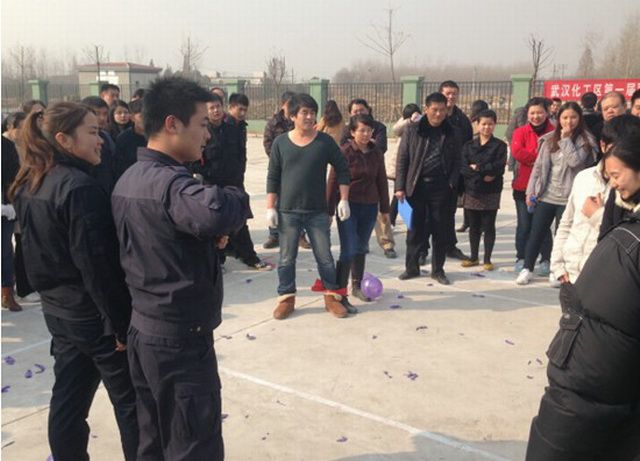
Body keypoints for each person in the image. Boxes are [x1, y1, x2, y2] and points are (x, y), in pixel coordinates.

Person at [111, 77, 250, 460]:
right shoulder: (171, 185)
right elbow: (218, 210)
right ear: (172, 124)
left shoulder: (129, 178)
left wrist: (206, 238)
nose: (207, 134)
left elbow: (167, 239)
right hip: (179, 341)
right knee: (193, 445)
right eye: (202, 124)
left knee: (153, 440)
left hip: (144, 331)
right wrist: (235, 194)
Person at [10, 102, 138, 460]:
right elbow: (98, 268)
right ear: (64, 139)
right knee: (132, 404)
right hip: (93, 317)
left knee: (69, 400)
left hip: (60, 313)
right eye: (93, 132)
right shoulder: (78, 188)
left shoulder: (33, 181)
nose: (101, 140)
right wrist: (120, 326)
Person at [526, 133, 640, 460]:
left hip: (595, 377)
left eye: (617, 175)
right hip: (584, 353)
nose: (613, 184)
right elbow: (567, 224)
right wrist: (559, 263)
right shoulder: (615, 208)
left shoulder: (627, 236)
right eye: (609, 175)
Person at [266, 93, 351, 319]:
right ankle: (286, 298)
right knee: (286, 258)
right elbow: (273, 176)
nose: (310, 116)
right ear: (293, 116)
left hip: (317, 211)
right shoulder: (280, 143)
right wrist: (270, 207)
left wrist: (343, 199)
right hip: (288, 211)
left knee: (325, 257)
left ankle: (331, 296)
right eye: (304, 112)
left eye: (313, 112)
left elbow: (343, 168)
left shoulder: (324, 142)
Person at [550, 114, 640, 308]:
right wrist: (558, 265)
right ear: (603, 145)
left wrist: (598, 215)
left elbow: (624, 244)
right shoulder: (584, 178)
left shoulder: (629, 196)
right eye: (614, 148)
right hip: (570, 278)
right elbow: (566, 223)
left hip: (605, 285)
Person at [516, 102, 595, 285]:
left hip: (568, 199)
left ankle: (556, 270)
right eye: (565, 117)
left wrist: (566, 140)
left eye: (573, 117)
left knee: (562, 237)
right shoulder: (548, 140)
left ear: (579, 119)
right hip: (547, 196)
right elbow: (538, 168)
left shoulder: (585, 141)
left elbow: (575, 162)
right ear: (559, 119)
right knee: (536, 233)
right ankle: (527, 268)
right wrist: (530, 191)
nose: (569, 121)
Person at [193, 92, 270, 271]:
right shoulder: (202, 132)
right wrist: (208, 172)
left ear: (223, 108)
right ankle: (217, 260)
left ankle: (249, 256)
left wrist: (239, 174)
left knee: (240, 221)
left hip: (234, 184)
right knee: (214, 223)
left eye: (218, 107)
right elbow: (195, 160)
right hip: (212, 185)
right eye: (211, 108)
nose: (216, 111)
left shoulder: (232, 129)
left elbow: (241, 155)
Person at [395, 92, 462, 285]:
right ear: (426, 109)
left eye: (442, 110)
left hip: (442, 188)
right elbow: (403, 159)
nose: (438, 114)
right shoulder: (413, 130)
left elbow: (458, 160)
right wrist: (400, 186)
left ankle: (438, 270)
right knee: (414, 230)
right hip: (416, 186)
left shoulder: (452, 131)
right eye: (434, 110)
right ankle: (411, 267)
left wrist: (452, 182)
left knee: (440, 231)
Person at [327, 114, 389, 309]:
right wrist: (329, 210)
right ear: (352, 132)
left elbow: (381, 180)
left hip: (369, 206)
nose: (365, 134)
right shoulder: (344, 152)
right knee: (348, 248)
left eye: (369, 130)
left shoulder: (376, 153)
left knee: (361, 247)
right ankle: (339, 292)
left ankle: (357, 285)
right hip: (348, 206)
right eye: (361, 130)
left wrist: (385, 209)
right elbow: (332, 180)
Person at [339, 98, 396, 259]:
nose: (358, 113)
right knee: (352, 242)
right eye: (355, 111)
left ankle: (387, 243)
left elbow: (381, 146)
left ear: (368, 110)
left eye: (361, 110)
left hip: (373, 175)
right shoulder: (347, 129)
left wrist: (365, 144)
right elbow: (344, 147)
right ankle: (360, 247)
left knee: (381, 215)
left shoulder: (379, 127)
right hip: (353, 187)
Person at [511, 97, 555, 273]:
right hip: (523, 186)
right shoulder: (520, 132)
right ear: (527, 114)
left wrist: (533, 159)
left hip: (547, 187)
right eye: (532, 113)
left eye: (540, 112)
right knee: (524, 226)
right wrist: (541, 159)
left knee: (543, 226)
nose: (536, 116)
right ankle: (521, 257)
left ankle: (545, 259)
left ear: (547, 113)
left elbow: (556, 155)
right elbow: (517, 152)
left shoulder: (554, 132)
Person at [459, 110, 507, 271]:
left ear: (495, 125)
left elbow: (498, 168)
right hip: (472, 190)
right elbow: (463, 168)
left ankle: (487, 259)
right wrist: (483, 172)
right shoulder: (468, 146)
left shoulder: (500, 146)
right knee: (474, 226)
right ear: (477, 125)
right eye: (483, 124)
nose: (487, 127)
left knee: (489, 226)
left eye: (490, 124)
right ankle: (473, 257)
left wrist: (478, 167)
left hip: (491, 191)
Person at [262, 91, 302, 249]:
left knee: (299, 202)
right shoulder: (273, 123)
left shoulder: (298, 120)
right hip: (278, 168)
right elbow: (267, 143)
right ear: (282, 105)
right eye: (289, 104)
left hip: (298, 168)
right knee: (275, 201)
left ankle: (300, 235)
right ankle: (274, 235)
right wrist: (279, 160)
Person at [440, 80, 472, 260]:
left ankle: (449, 246)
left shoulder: (462, 120)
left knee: (449, 212)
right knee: (427, 215)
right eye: (447, 93)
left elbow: (468, 146)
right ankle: (422, 249)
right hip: (431, 174)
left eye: (454, 93)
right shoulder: (431, 117)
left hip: (454, 174)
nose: (451, 97)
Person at [1, 112, 26, 311]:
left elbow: (13, 177)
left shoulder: (6, 147)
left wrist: (9, 202)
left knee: (5, 252)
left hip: (4, 207)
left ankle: (7, 293)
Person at [82, 96, 117, 194]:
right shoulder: (81, 140)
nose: (102, 118)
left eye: (105, 114)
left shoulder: (106, 137)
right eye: (97, 114)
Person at [113, 98, 146, 181]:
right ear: (132, 117)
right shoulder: (123, 138)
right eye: (142, 116)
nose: (147, 120)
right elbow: (119, 167)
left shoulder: (157, 136)